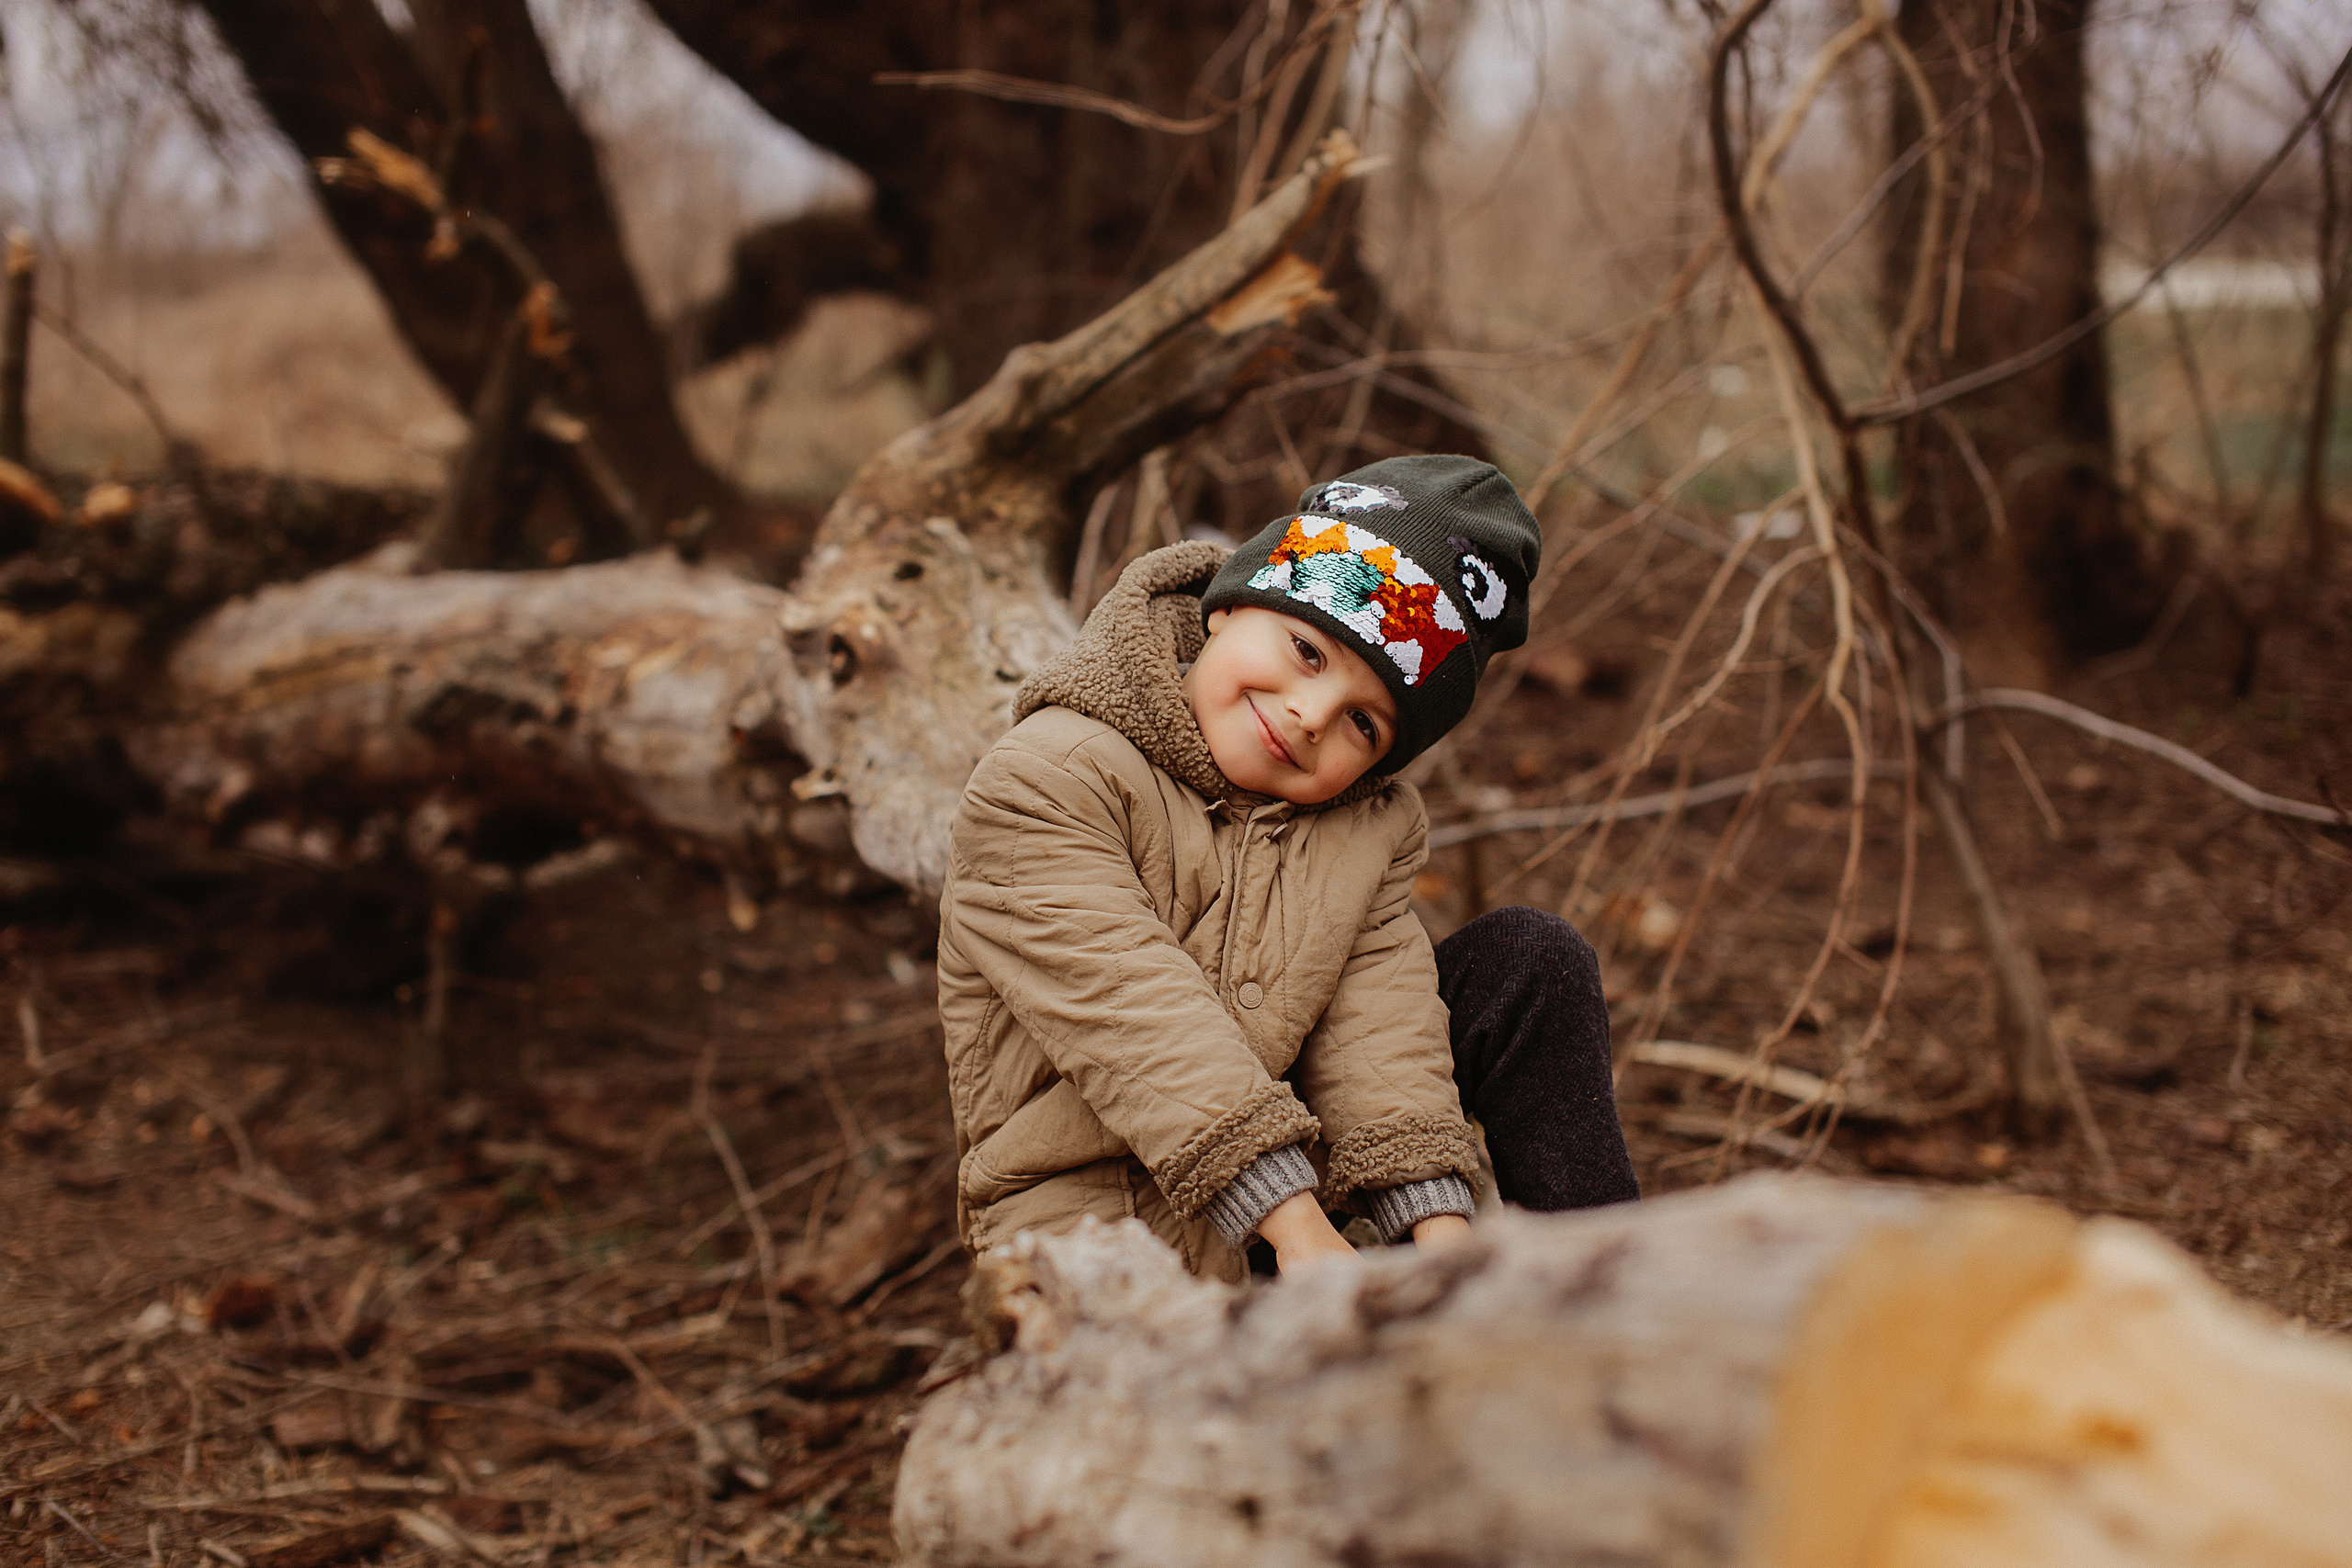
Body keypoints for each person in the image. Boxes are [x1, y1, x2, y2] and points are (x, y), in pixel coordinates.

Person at [937, 455, 1638, 1282]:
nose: (1311, 717)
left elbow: (1378, 1029)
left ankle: (1607, 1301)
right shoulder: (1048, 778)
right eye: (1307, 651)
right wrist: (1304, 1238)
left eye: (1364, 725)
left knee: (1532, 960)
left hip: (1300, 1220)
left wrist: (1442, 1245)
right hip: (1108, 1236)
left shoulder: (1361, 828)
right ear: (1229, 607)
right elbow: (1141, 1025)